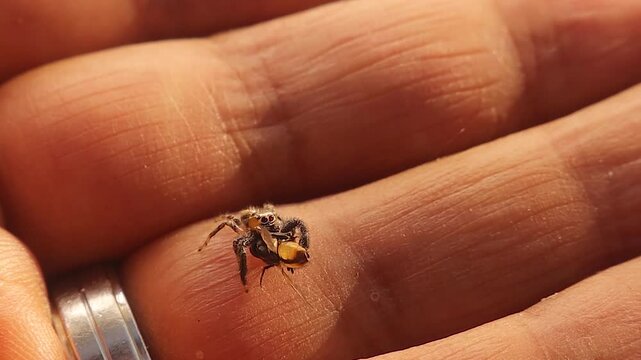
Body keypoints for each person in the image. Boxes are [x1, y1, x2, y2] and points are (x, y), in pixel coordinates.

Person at [1, 0, 640, 359]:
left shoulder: (264, 231)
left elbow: (274, 230)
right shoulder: (250, 236)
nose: (244, 229)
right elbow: (251, 235)